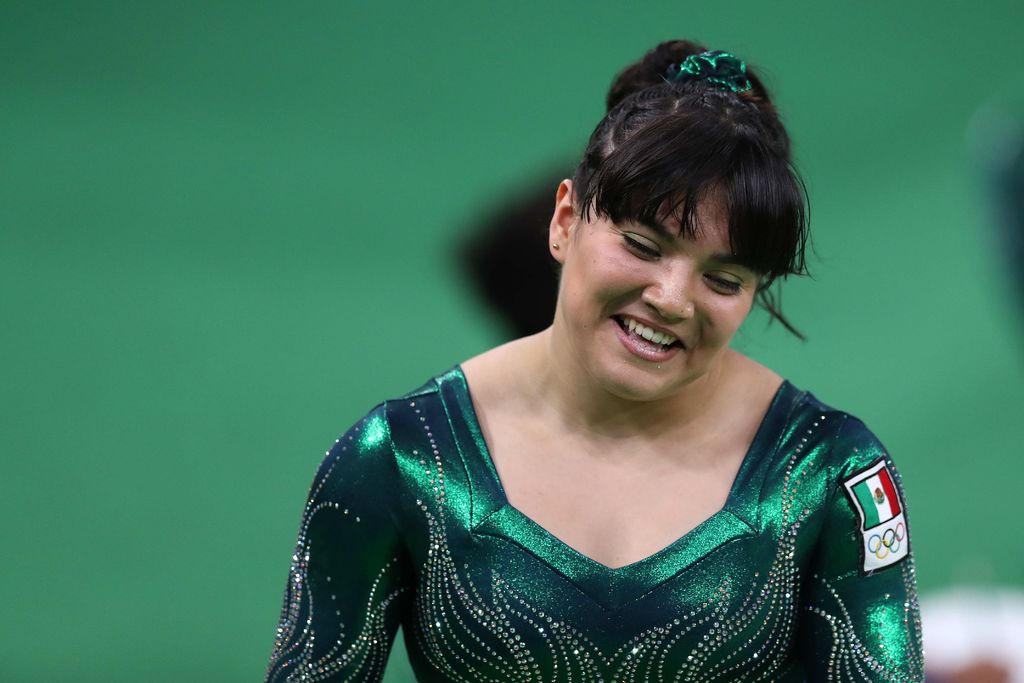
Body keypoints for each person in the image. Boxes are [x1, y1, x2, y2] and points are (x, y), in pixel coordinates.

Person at [265, 40, 924, 682]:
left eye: (723, 280)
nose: (672, 299)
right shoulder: (400, 457)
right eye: (642, 245)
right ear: (564, 220)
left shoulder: (832, 472)